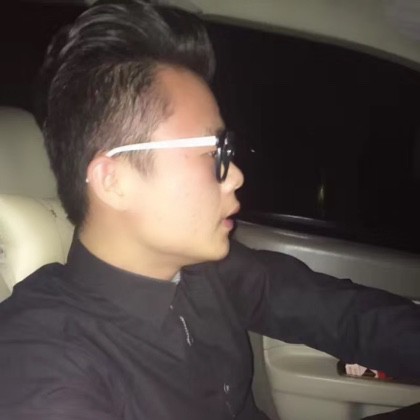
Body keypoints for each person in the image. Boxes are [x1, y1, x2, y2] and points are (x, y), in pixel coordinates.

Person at [1, 1, 420, 419]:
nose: (235, 175)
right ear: (115, 181)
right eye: (213, 151)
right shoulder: (43, 362)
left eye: (228, 151)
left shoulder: (209, 272)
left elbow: (345, 314)